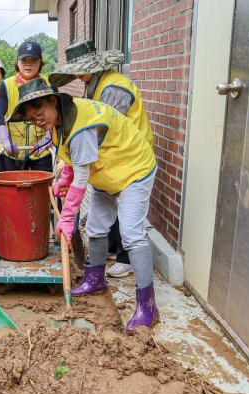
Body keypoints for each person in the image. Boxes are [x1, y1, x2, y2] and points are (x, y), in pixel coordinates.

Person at [8, 78, 158, 334]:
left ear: (53, 101)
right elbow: (71, 159)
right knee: (97, 226)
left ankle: (148, 305)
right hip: (106, 170)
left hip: (133, 169)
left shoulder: (82, 125)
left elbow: (81, 176)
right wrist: (64, 179)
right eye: (32, 118)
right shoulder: (60, 120)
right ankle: (95, 278)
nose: (38, 120)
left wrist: (67, 218)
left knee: (132, 233)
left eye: (40, 112)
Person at [49, 40, 154, 278]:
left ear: (95, 64)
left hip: (131, 156)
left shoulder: (113, 88)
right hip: (112, 160)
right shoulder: (95, 84)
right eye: (75, 68)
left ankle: (127, 261)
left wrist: (75, 173)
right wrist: (68, 172)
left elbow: (103, 126)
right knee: (102, 218)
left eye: (82, 66)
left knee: (130, 223)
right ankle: (100, 270)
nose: (78, 73)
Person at [0, 41, 52, 172]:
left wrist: (49, 138)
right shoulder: (7, 85)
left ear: (40, 62)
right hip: (14, 149)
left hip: (42, 148)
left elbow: (58, 113)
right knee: (16, 188)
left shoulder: (48, 84)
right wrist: (5, 141)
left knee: (43, 188)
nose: (28, 64)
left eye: (33, 60)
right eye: (24, 60)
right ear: (17, 62)